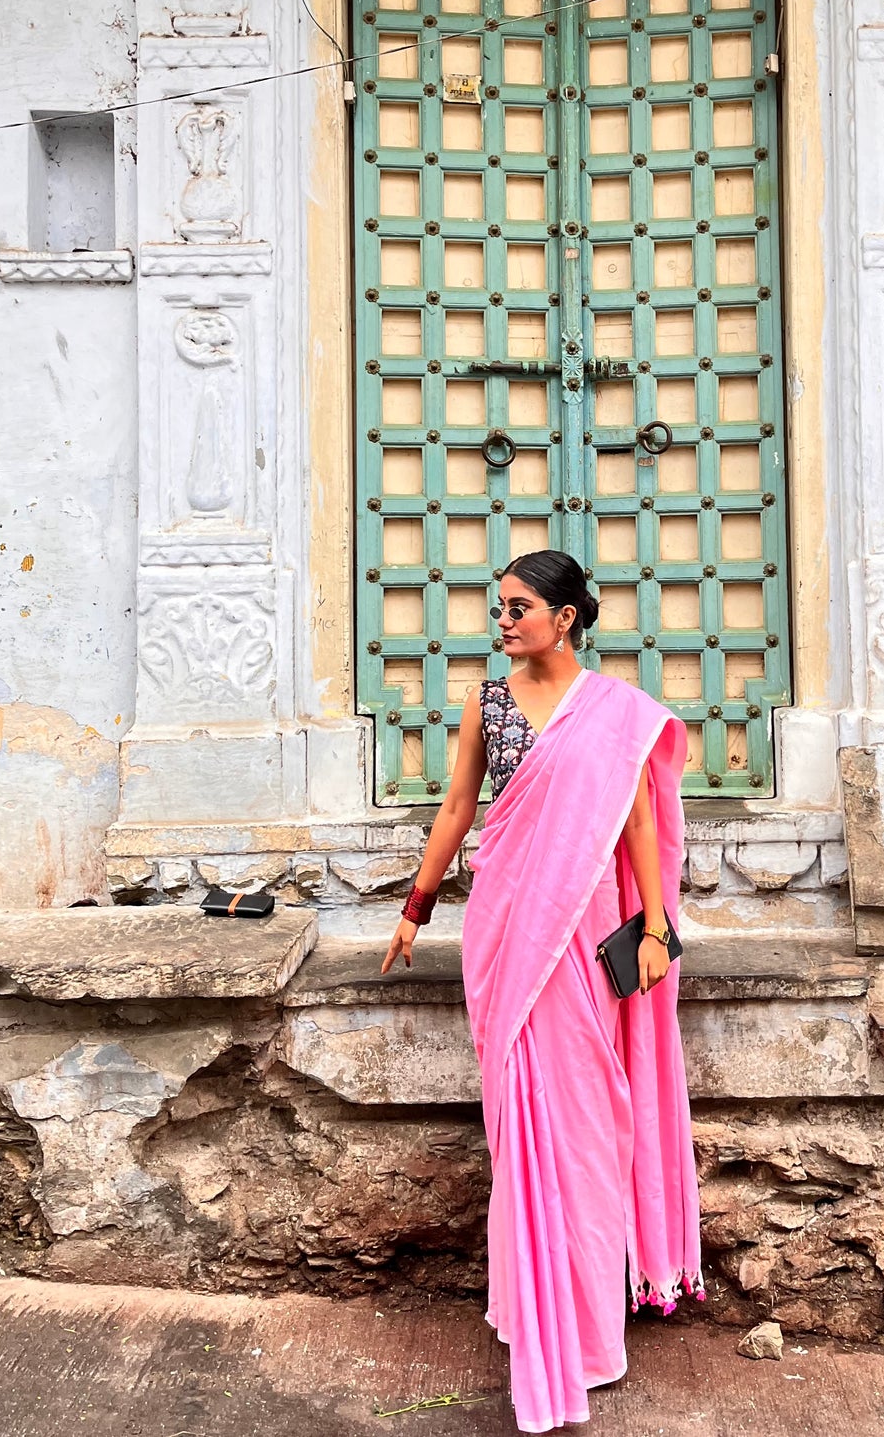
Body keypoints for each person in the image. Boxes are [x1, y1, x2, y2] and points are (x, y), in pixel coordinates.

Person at [382, 549, 702, 1433]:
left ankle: (593, 1329)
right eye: (500, 607)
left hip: (583, 922)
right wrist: (414, 909)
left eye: (519, 607)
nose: (503, 620)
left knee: (588, 1119)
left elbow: (637, 817)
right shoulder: (487, 701)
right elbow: (456, 808)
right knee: (518, 1124)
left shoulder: (614, 712)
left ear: (565, 618)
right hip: (504, 925)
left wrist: (657, 930)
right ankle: (531, 1312)